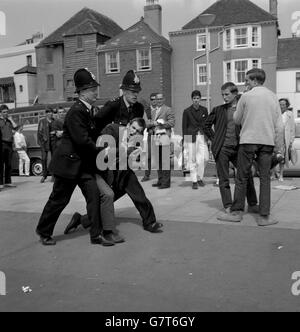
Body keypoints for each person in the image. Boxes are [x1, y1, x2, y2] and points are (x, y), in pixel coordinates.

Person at [36, 68, 109, 246]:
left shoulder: (88, 110)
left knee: (94, 196)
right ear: (82, 92)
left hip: (82, 165)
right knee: (59, 200)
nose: (95, 92)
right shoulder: (77, 111)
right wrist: (102, 151)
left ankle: (96, 235)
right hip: (68, 165)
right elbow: (82, 141)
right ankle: (44, 231)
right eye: (92, 89)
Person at [64, 118, 163, 237]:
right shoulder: (112, 130)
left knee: (139, 195)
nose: (134, 132)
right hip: (105, 171)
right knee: (106, 204)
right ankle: (81, 219)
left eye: (138, 131)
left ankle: (150, 222)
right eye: (133, 128)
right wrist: (124, 150)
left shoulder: (136, 140)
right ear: (128, 125)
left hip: (123, 171)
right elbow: (103, 151)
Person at [223, 69, 284, 226]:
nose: (245, 83)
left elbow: (236, 120)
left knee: (242, 176)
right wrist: (279, 146)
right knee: (265, 178)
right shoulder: (273, 97)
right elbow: (279, 125)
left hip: (249, 140)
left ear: (255, 80)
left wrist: (241, 110)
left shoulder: (246, 96)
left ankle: (236, 212)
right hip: (267, 141)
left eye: (247, 80)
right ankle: (264, 216)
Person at [204, 82, 258, 220]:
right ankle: (228, 205)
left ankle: (252, 204)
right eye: (223, 95)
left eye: (227, 94)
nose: (224, 97)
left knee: (246, 175)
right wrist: (214, 138)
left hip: (240, 148)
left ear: (235, 94)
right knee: (223, 178)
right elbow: (205, 125)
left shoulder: (243, 108)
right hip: (222, 149)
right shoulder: (218, 109)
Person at [182, 90, 209, 189]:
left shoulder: (204, 110)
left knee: (205, 158)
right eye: (194, 98)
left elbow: (207, 125)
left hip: (202, 136)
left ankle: (199, 177)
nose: (196, 100)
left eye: (198, 98)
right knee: (192, 159)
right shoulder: (187, 111)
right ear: (192, 99)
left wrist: (208, 137)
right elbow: (184, 126)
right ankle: (194, 180)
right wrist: (185, 139)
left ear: (200, 99)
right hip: (191, 136)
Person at [150, 93, 175, 189]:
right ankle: (160, 180)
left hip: (164, 137)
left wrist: (161, 124)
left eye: (161, 99)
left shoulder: (168, 109)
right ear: (155, 100)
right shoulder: (153, 111)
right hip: (156, 138)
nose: (159, 100)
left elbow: (172, 122)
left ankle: (166, 182)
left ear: (163, 99)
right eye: (157, 99)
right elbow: (153, 124)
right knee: (158, 161)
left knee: (164, 161)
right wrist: (152, 127)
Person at [275, 98, 295, 182]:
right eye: (280, 104)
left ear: (287, 106)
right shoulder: (275, 113)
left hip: (284, 139)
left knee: (282, 158)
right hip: (275, 138)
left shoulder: (290, 114)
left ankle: (281, 175)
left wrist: (291, 140)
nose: (281, 106)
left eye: (283, 104)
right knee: (273, 156)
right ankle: (273, 174)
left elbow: (292, 129)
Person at [0, 104, 18, 189]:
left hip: (9, 144)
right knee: (1, 164)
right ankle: (0, 183)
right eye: (4, 112)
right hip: (2, 144)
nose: (6, 113)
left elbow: (16, 127)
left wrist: (11, 119)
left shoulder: (9, 121)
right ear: (0, 113)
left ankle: (8, 181)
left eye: (7, 112)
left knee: (9, 164)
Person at [141, 92, 158, 182]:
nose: (154, 101)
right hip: (150, 135)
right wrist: (153, 123)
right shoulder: (146, 111)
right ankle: (147, 175)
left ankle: (162, 177)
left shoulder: (161, 110)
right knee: (148, 156)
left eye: (155, 99)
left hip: (160, 135)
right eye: (152, 99)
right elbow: (145, 123)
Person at [37, 107, 53, 183]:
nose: (50, 114)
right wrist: (42, 140)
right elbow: (39, 132)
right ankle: (44, 175)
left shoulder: (54, 121)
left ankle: (54, 175)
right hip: (44, 143)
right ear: (46, 113)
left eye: (51, 112)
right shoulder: (42, 121)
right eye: (49, 112)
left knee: (53, 159)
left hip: (53, 143)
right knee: (44, 159)